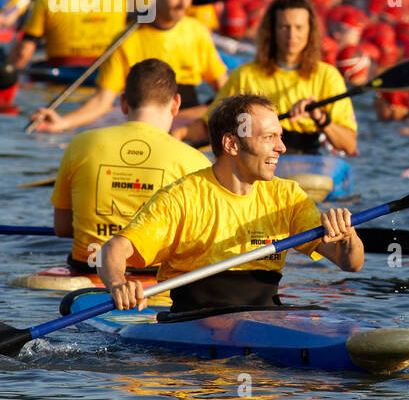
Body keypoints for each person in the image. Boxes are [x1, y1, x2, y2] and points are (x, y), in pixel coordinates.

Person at [97, 93, 364, 314]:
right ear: (231, 144)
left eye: (280, 137)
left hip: (266, 318)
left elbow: (351, 264)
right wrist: (119, 283)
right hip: (194, 323)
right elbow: (112, 250)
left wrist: (347, 236)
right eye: (269, 137)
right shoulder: (182, 197)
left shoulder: (288, 197)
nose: (282, 147)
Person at [52, 59, 210, 277]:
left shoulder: (81, 143)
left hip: (88, 269)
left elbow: (62, 228)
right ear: (176, 103)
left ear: (124, 102)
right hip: (156, 278)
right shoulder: (195, 161)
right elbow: (199, 242)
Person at [28, 0, 228, 133]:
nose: (183, 4)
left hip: (187, 118)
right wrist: (63, 123)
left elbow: (225, 89)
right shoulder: (127, 39)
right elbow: (102, 100)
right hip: (145, 120)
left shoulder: (197, 32)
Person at [180, 0, 357, 155]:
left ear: (310, 31)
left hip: (308, 159)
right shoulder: (245, 75)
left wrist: (321, 118)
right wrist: (179, 133)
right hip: (258, 157)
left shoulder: (328, 76)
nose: (292, 35)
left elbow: (349, 146)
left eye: (299, 27)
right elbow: (209, 127)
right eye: (284, 27)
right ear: (271, 31)